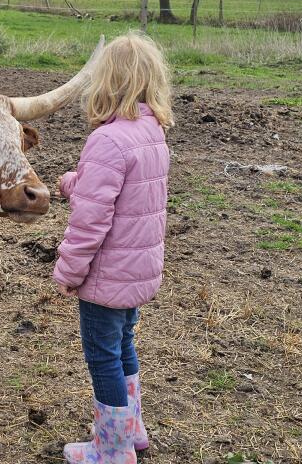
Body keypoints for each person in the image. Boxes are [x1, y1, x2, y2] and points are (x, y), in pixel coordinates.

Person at [53, 31, 174, 464]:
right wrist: (76, 183)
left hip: (105, 277)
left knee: (102, 357)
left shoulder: (107, 140)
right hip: (136, 270)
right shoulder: (152, 132)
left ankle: (112, 449)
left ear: (106, 82)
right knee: (123, 345)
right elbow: (126, 196)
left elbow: (91, 222)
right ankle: (132, 429)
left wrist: (68, 271)